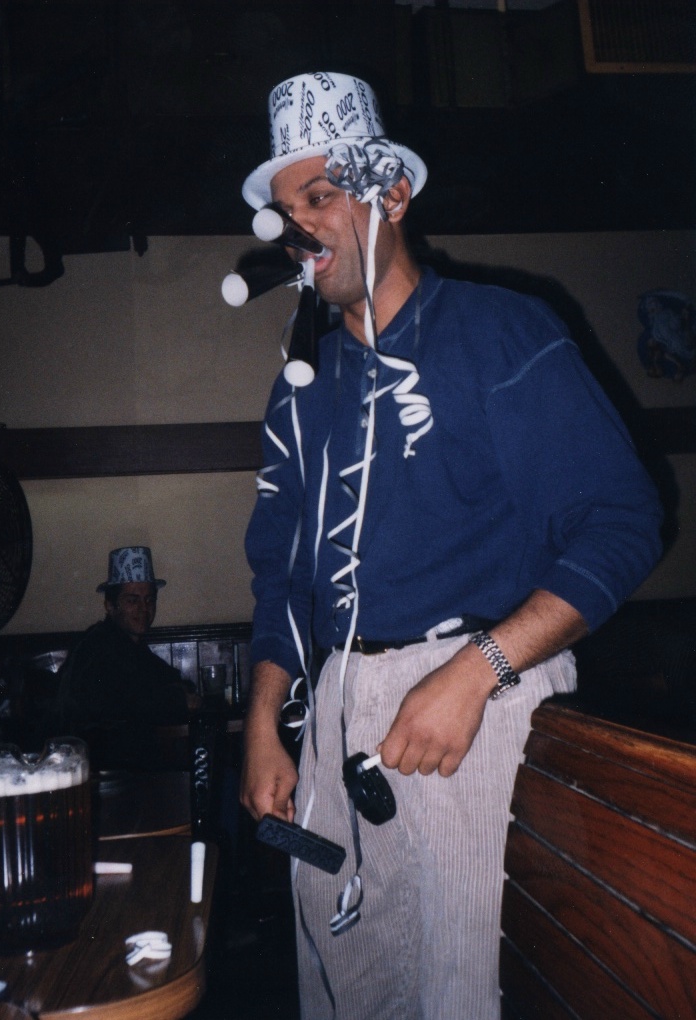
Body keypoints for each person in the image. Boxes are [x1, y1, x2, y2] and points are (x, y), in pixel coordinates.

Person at [238, 71, 664, 1020]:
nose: (301, 228)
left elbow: (624, 521)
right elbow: (282, 576)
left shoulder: (502, 330)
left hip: (481, 706)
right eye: (287, 211)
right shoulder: (300, 389)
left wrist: (477, 671)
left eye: (321, 196)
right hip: (334, 718)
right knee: (346, 990)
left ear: (392, 194)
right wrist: (266, 722)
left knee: (465, 995)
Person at [57, 546, 196, 770]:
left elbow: (166, 677)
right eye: (132, 600)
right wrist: (179, 700)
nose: (143, 609)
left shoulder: (130, 644)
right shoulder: (99, 646)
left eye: (149, 600)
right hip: (100, 775)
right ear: (110, 606)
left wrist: (181, 692)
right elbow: (128, 703)